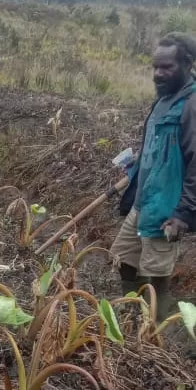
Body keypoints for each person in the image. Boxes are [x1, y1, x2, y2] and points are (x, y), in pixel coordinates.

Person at [113, 32, 196, 322]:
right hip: (144, 201)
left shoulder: (191, 106)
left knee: (156, 279)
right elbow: (156, 147)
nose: (158, 74)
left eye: (167, 67)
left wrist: (183, 213)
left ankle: (156, 336)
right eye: (155, 67)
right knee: (124, 258)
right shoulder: (163, 101)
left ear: (188, 64)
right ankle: (132, 315)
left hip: (166, 210)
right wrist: (137, 168)